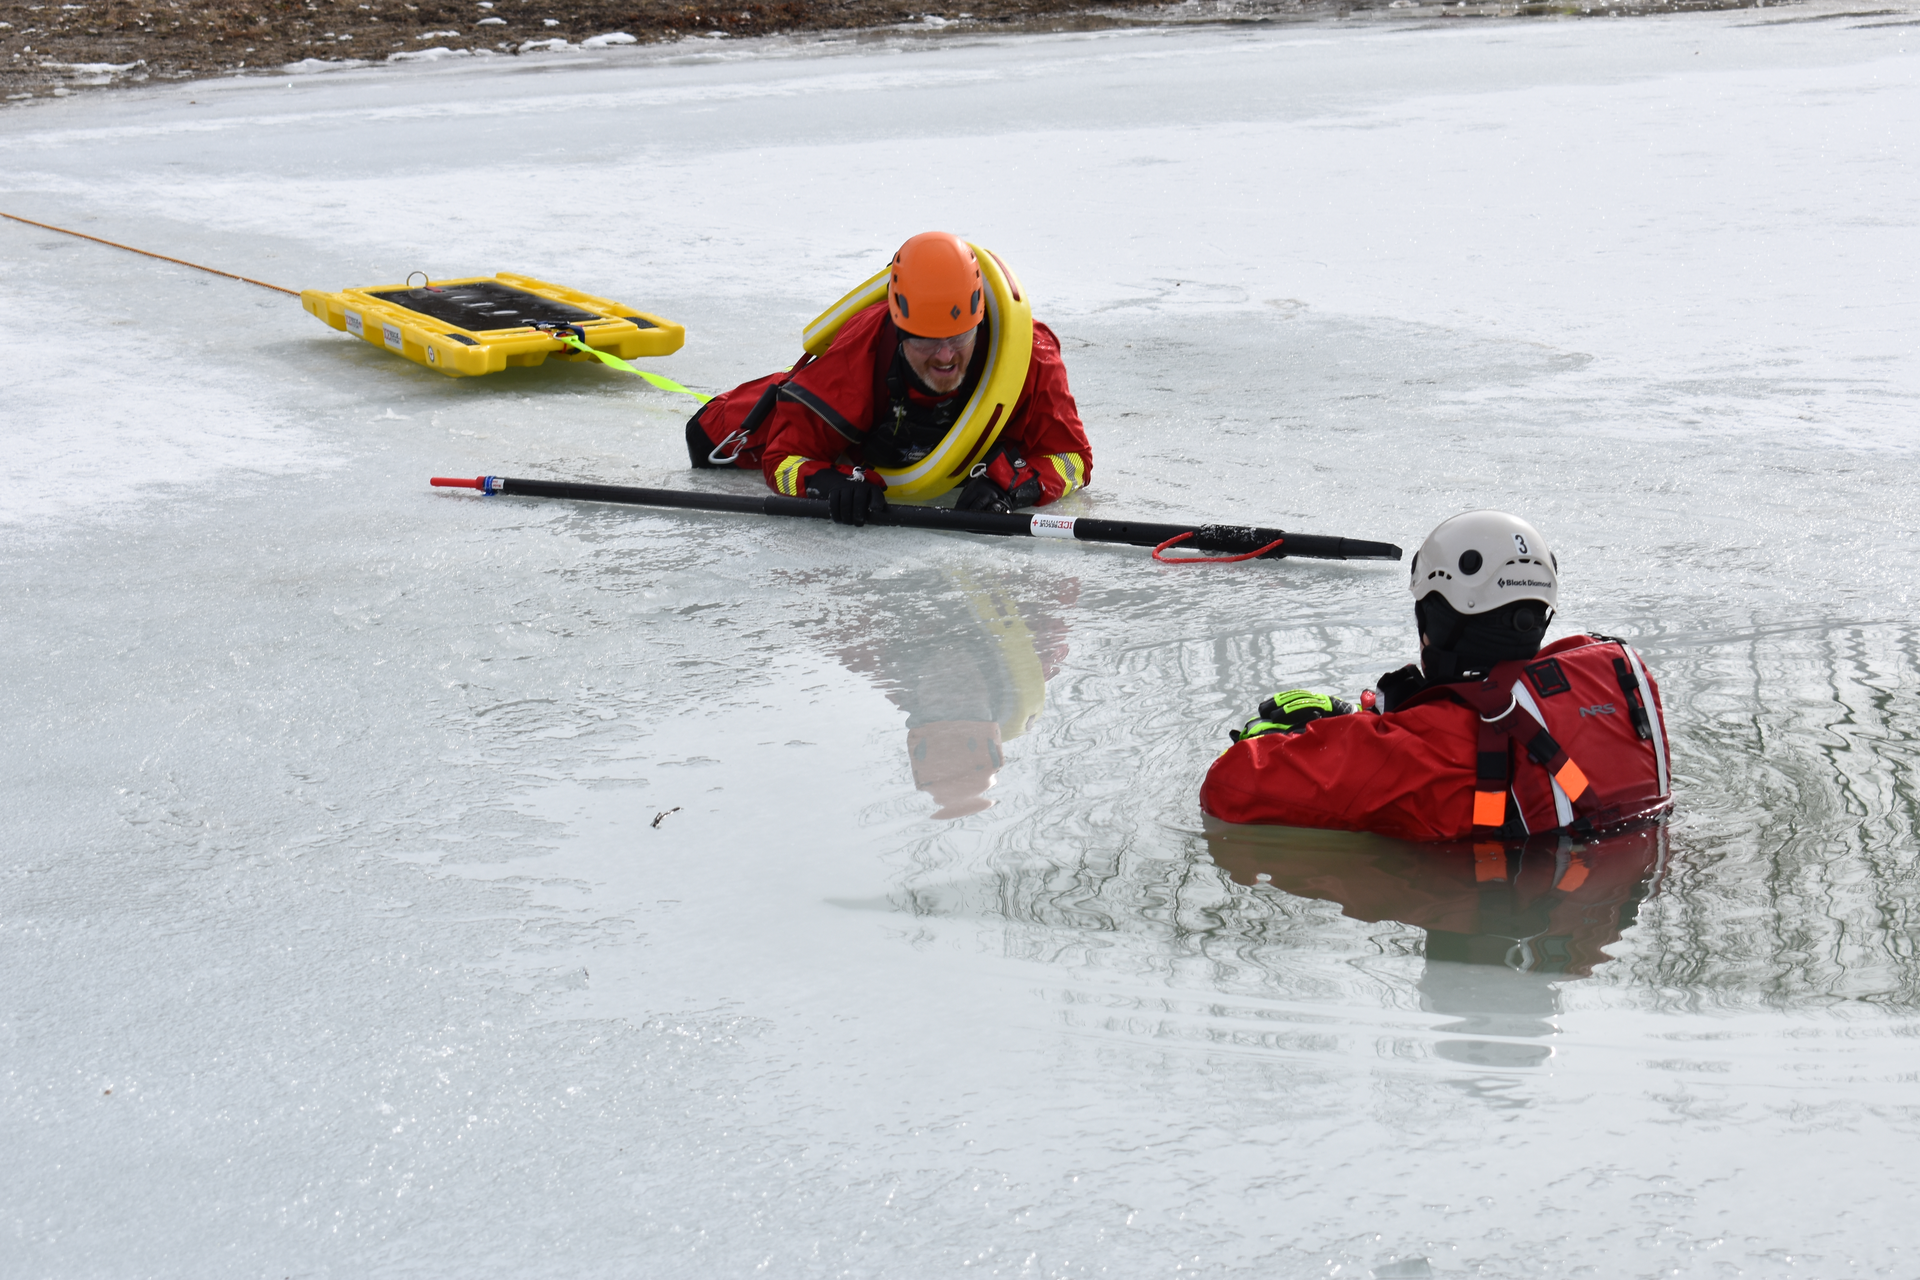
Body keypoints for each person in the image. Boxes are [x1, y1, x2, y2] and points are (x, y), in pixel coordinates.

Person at [1200, 510, 1673, 841]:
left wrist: (1270, 736)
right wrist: (1364, 723)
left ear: (1435, 620)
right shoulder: (1613, 678)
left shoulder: (1419, 749)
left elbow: (1227, 789)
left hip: (1490, 918)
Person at [685, 232, 1093, 525]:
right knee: (702, 438)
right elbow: (783, 460)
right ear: (898, 330)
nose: (946, 356)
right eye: (927, 341)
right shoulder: (858, 355)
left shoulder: (1030, 356)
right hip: (854, 438)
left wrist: (1011, 487)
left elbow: (1073, 459)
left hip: (951, 450)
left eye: (959, 337)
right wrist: (832, 484)